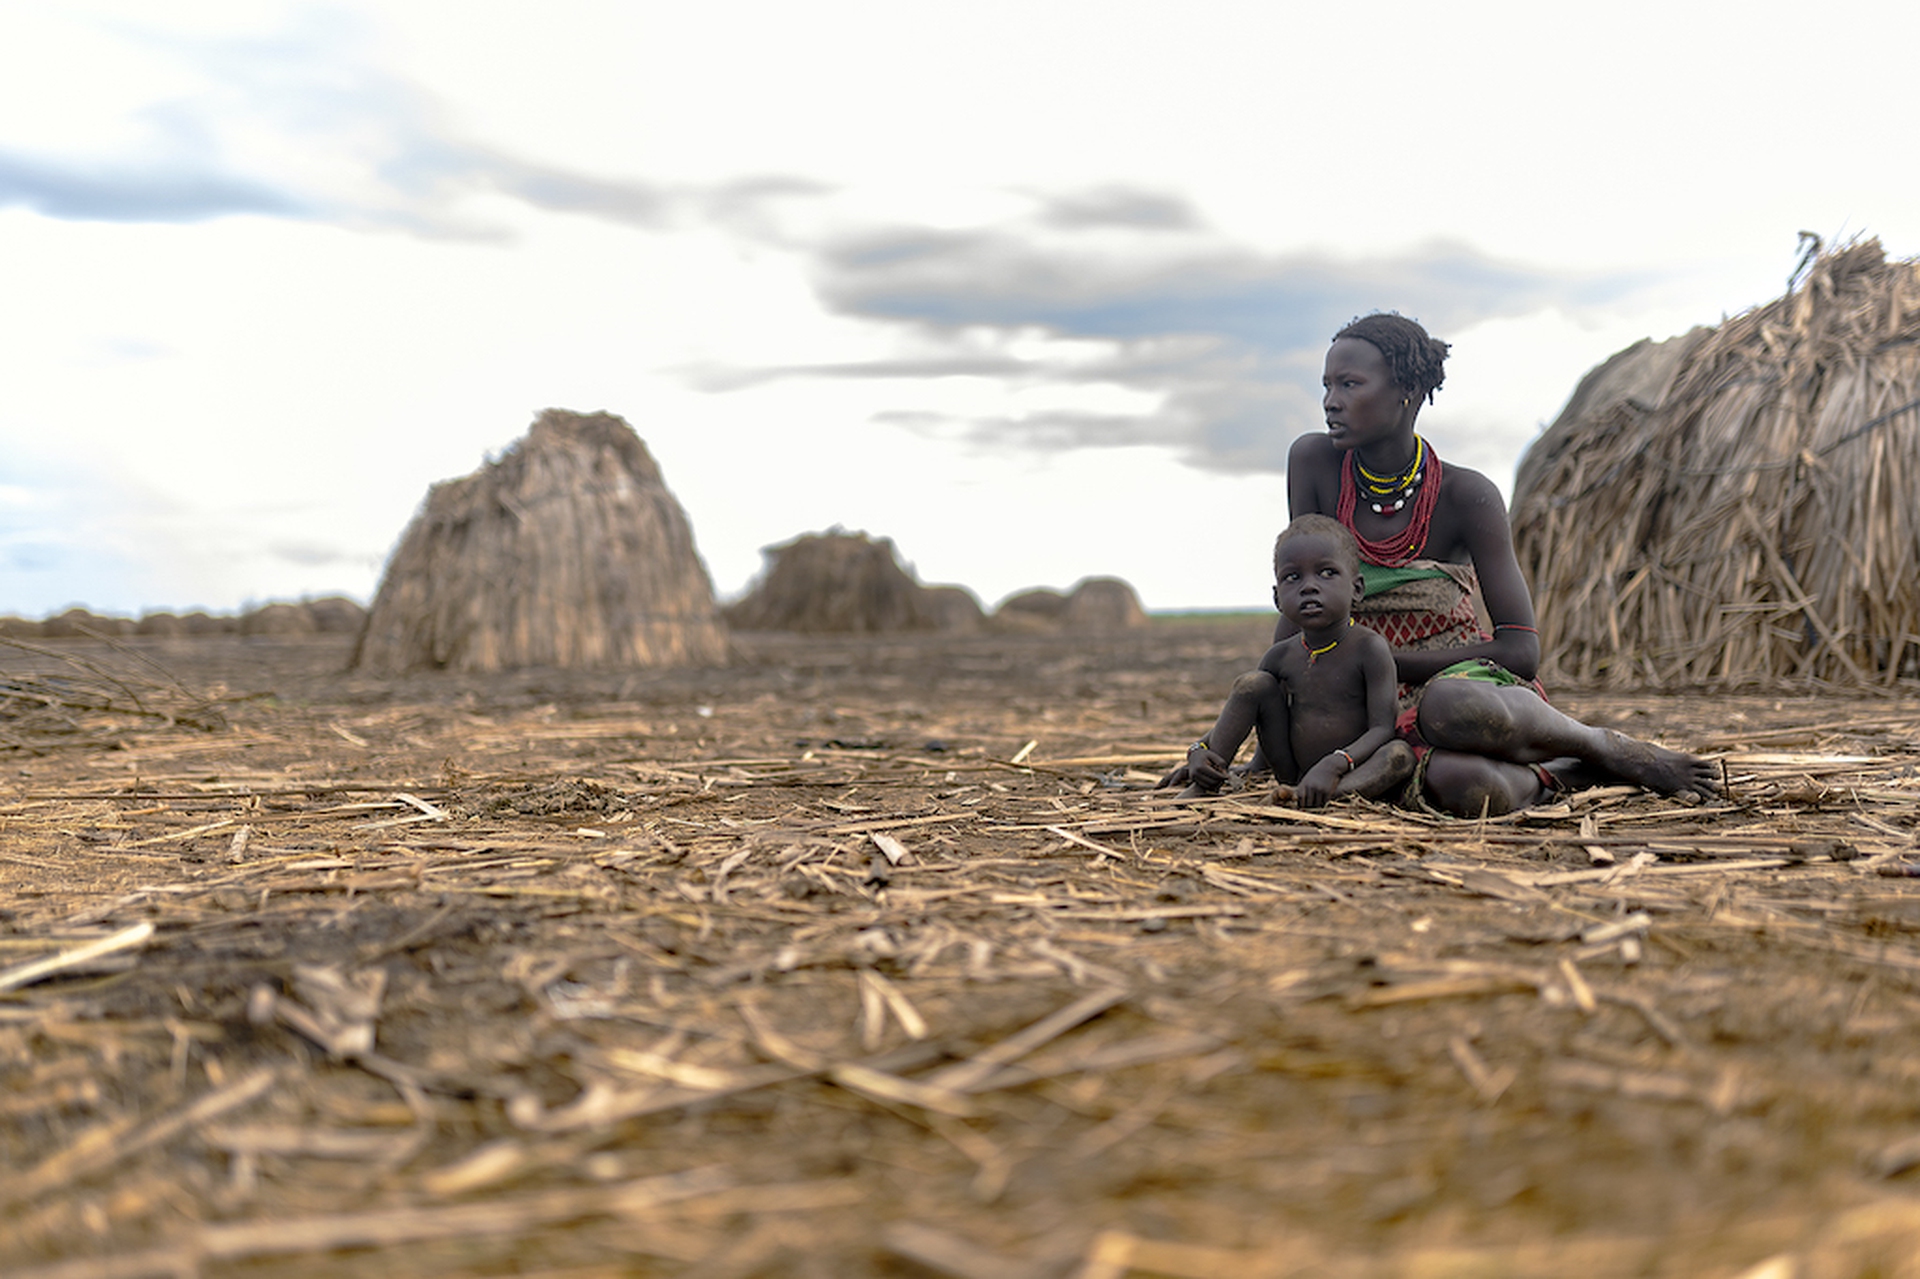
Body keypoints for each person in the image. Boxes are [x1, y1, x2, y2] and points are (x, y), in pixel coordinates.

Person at [1172, 311, 1720, 817]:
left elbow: (1521, 651)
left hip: (1457, 683)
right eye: (1327, 386)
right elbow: (1303, 603)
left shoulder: (1466, 495)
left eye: (1350, 385)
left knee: (1450, 707)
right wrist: (1246, 754)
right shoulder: (1314, 463)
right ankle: (1566, 775)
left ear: (1407, 392)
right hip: (1360, 699)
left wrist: (1384, 659)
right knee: (1462, 788)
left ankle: (1605, 747)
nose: (1330, 402)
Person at [1176, 515, 1414, 806]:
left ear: (1357, 589)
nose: (1309, 586)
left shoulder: (1370, 649)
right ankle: (1207, 782)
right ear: (1277, 599)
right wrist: (1199, 749)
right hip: (1293, 771)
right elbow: (1250, 712)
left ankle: (1320, 797)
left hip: (1351, 769)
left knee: (1399, 756)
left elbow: (1382, 728)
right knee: (1253, 684)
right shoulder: (1280, 656)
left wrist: (1336, 763)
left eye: (1327, 573)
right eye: (1293, 577)